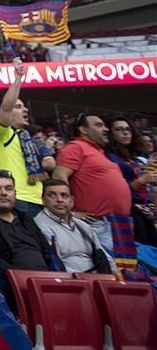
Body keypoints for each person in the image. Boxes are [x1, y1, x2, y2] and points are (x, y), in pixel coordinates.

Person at [52, 114, 131, 269]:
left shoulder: (98, 152)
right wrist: (69, 212)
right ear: (83, 130)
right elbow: (59, 177)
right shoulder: (76, 147)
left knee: (126, 274)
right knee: (111, 272)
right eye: (99, 125)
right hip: (98, 224)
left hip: (118, 224)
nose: (106, 129)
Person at [0, 170, 52, 311]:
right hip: (11, 289)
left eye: (8, 188)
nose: (3, 193)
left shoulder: (25, 219)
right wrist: (19, 279)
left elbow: (47, 253)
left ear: (14, 193)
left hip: (45, 285)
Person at [0, 58, 46, 217]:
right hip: (19, 201)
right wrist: (18, 77)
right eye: (19, 107)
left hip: (40, 201)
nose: (25, 110)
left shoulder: (26, 137)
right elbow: (6, 107)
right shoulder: (1, 134)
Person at [33, 179, 112, 274]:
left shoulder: (83, 226)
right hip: (66, 280)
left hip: (94, 277)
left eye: (64, 195)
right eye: (52, 195)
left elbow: (103, 256)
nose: (59, 200)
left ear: (71, 201)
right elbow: (53, 263)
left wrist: (115, 277)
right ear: (43, 200)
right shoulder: (40, 225)